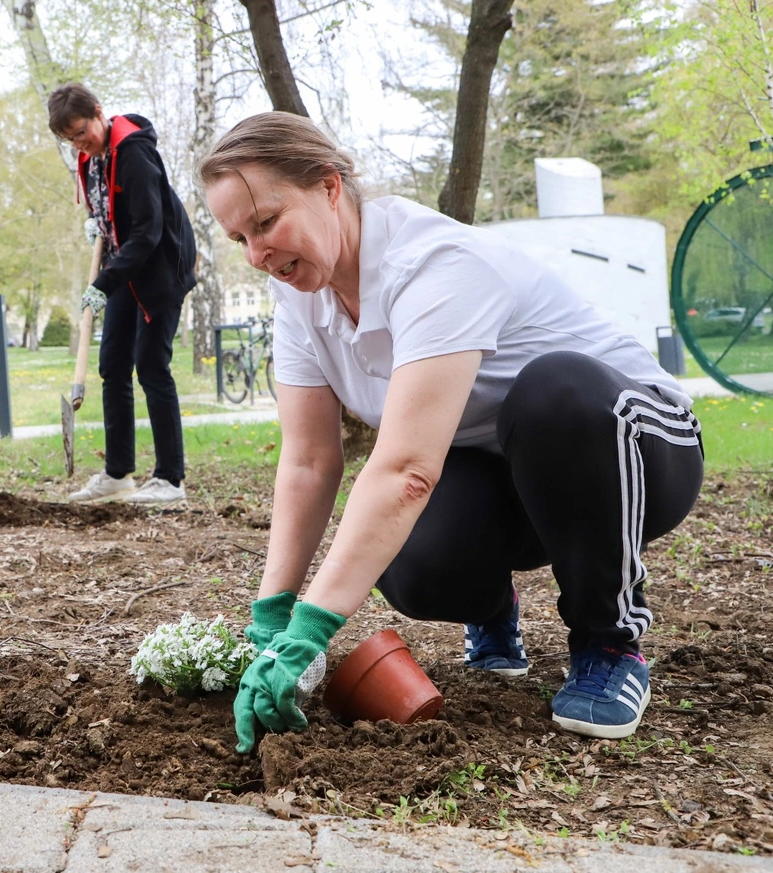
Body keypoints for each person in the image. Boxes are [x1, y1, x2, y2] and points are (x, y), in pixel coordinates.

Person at [199, 112, 703, 752]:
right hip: (516, 480)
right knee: (412, 562)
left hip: (636, 450)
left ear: (329, 187)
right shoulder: (300, 297)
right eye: (239, 237)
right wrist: (273, 617)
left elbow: (407, 468)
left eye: (266, 222)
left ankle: (608, 640)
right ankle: (494, 609)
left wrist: (311, 631)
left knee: (555, 391)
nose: (257, 255)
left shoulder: (432, 263)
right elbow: (308, 460)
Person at [47, 83, 197, 504]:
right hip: (125, 269)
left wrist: (102, 284)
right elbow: (111, 211)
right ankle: (118, 473)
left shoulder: (134, 153)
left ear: (98, 112)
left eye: (82, 132)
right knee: (112, 366)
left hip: (161, 268)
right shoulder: (90, 157)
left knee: (151, 365)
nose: (80, 143)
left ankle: (170, 479)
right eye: (71, 139)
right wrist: (97, 222)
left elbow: (148, 232)